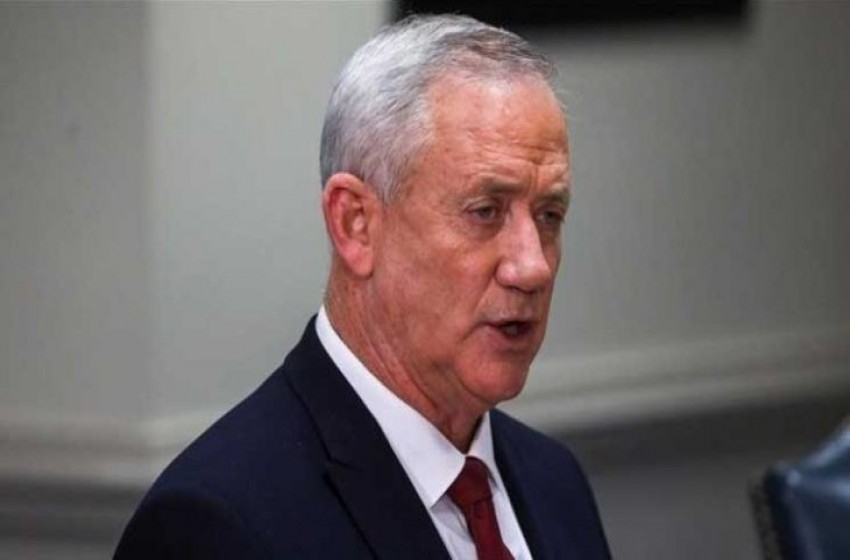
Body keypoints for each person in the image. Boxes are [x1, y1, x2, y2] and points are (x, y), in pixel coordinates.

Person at [114, 14, 611, 560]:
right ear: (355, 224)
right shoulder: (217, 526)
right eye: (485, 211)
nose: (533, 266)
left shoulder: (554, 483)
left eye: (548, 215)